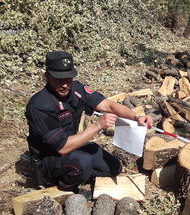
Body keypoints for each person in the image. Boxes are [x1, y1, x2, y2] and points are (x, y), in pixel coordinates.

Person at [25, 51, 153, 192]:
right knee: (83, 162)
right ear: (47, 76)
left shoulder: (76, 89)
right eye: (59, 79)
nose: (65, 85)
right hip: (49, 156)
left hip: (74, 144)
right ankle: (63, 185)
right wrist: (98, 125)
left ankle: (79, 173)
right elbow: (62, 148)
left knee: (114, 167)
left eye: (68, 79)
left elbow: (108, 105)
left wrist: (136, 117)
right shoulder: (40, 106)